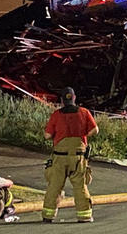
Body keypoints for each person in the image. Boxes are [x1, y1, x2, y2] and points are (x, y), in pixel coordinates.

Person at [42, 87, 98, 223]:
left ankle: (48, 215)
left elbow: (47, 135)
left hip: (60, 158)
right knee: (80, 186)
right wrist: (82, 135)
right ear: (74, 98)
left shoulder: (56, 115)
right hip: (78, 157)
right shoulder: (84, 113)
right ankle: (84, 215)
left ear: (62, 100)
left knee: (54, 186)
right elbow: (95, 130)